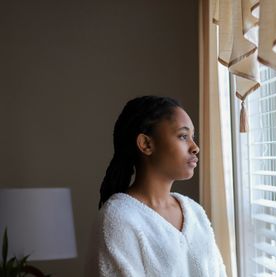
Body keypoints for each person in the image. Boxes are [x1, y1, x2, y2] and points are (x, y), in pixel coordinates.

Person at [86, 96, 227, 277]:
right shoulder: (119, 218)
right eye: (183, 136)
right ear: (146, 144)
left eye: (192, 137)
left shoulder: (195, 211)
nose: (195, 147)